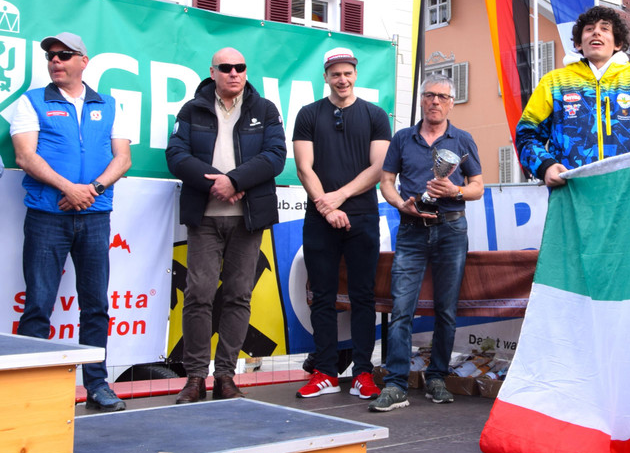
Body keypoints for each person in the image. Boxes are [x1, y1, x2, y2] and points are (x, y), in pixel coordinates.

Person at [10, 31, 132, 411]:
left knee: (95, 305)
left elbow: (123, 159)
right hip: (48, 217)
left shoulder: (109, 105)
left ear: (83, 61)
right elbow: (25, 156)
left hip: (94, 218)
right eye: (51, 56)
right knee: (38, 304)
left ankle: (97, 385)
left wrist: (91, 190)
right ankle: (30, 392)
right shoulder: (31, 101)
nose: (55, 61)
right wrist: (69, 188)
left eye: (64, 55)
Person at [165, 48, 286, 403]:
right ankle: (194, 378)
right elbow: (176, 156)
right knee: (198, 294)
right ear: (213, 71)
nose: (234, 72)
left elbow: (275, 156)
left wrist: (234, 181)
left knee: (238, 295)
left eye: (240, 67)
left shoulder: (265, 110)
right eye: (226, 67)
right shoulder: (192, 109)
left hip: (248, 218)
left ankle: (225, 377)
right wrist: (217, 183)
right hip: (204, 217)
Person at [369, 74, 483, 411]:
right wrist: (399, 203)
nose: (435, 101)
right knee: (401, 308)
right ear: (421, 100)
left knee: (446, 310)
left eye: (442, 97)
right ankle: (395, 384)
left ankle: (437, 378)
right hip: (411, 229)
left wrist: (455, 190)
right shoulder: (402, 138)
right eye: (429, 95)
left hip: (451, 229)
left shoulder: (462, 139)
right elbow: (386, 182)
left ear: (451, 103)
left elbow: (478, 186)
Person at [293, 47, 392, 400]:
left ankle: (363, 373)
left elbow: (379, 167)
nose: (342, 79)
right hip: (320, 219)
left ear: (356, 74)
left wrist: (339, 196)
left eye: (347, 73)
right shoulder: (308, 114)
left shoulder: (376, 115)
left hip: (362, 217)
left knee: (363, 296)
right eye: (335, 73)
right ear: (326, 77)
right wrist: (326, 207)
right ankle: (325, 372)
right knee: (321, 296)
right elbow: (304, 167)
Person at [516, 5, 630, 185]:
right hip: (570, 189)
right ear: (578, 44)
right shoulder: (554, 82)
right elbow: (526, 135)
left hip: (627, 189)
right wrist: (546, 166)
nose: (596, 32)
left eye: (605, 28)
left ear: (617, 44)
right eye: (589, 29)